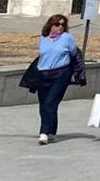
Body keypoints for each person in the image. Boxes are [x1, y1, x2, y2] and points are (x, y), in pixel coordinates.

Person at [33, 13, 77, 145]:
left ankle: (44, 132)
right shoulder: (43, 39)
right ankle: (51, 130)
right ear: (50, 25)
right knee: (43, 104)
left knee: (50, 102)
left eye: (63, 25)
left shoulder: (67, 38)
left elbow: (73, 53)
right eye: (57, 24)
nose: (60, 27)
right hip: (43, 73)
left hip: (60, 74)